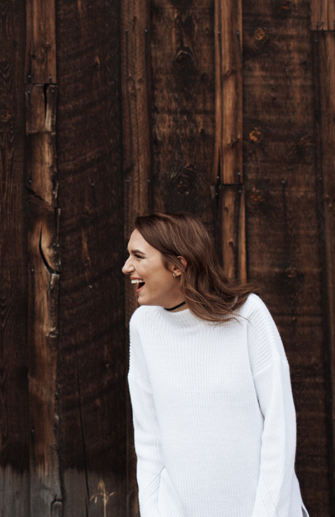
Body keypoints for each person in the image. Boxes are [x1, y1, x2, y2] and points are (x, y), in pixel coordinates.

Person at [122, 213, 306, 517]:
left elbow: (280, 428)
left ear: (178, 265)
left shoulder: (248, 315)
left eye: (138, 256)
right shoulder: (142, 325)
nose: (126, 267)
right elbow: (149, 439)